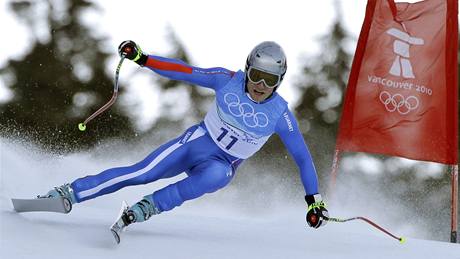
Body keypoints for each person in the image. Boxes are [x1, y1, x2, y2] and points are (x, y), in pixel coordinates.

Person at [42, 40, 328, 230]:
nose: (261, 85)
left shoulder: (281, 115)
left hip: (221, 165)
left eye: (270, 80)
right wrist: (143, 58)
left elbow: (302, 158)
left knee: (218, 176)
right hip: (196, 144)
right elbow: (185, 71)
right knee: (142, 173)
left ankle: (147, 207)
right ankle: (70, 193)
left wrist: (314, 201)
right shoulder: (227, 80)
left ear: (280, 82)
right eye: (256, 75)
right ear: (247, 70)